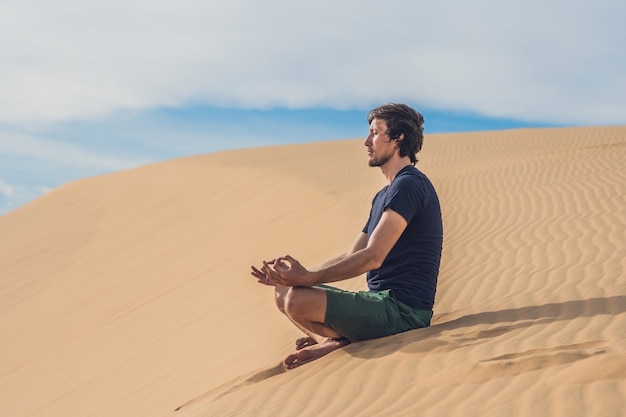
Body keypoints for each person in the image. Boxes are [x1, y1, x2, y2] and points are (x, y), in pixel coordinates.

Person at [251, 103, 443, 369]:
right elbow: (353, 254)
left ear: (398, 138)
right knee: (285, 292)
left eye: (375, 133)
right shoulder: (383, 196)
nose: (366, 141)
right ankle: (329, 341)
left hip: (404, 312)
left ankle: (334, 340)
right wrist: (295, 276)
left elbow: (373, 257)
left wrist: (310, 279)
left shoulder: (409, 184)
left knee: (298, 299)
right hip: (380, 304)